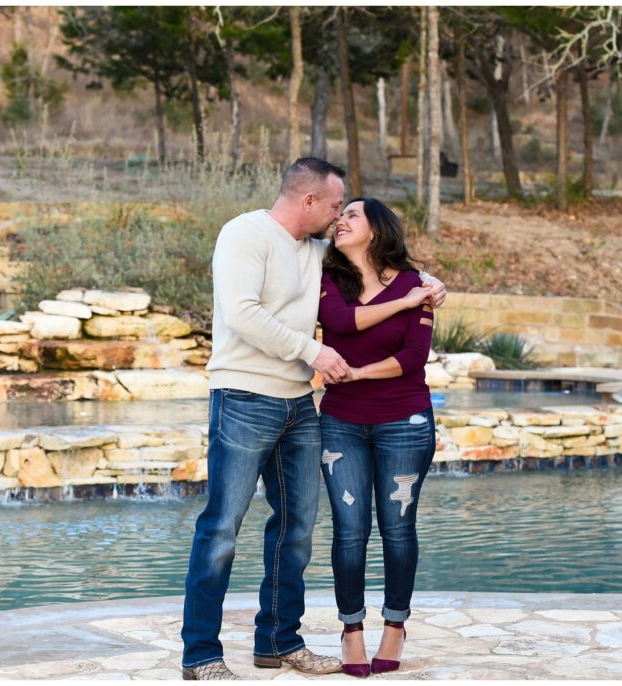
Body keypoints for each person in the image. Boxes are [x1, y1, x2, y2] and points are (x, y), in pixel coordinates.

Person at [181, 159, 446, 680]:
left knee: (296, 530)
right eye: (333, 206)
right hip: (243, 396)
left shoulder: (320, 253)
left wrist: (430, 284)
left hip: (301, 406)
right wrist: (315, 352)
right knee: (222, 529)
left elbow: (385, 269)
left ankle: (279, 642)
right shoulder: (244, 233)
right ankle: (201, 654)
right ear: (308, 202)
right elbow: (241, 312)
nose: (336, 218)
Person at [317, 197, 437, 678]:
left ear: (377, 229)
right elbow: (341, 324)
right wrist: (405, 304)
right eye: (338, 214)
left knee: (397, 529)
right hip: (340, 422)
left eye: (351, 215)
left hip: (404, 421)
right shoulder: (328, 282)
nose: (339, 221)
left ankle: (394, 626)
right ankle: (351, 631)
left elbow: (415, 355)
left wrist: (360, 373)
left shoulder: (417, 283)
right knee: (349, 531)